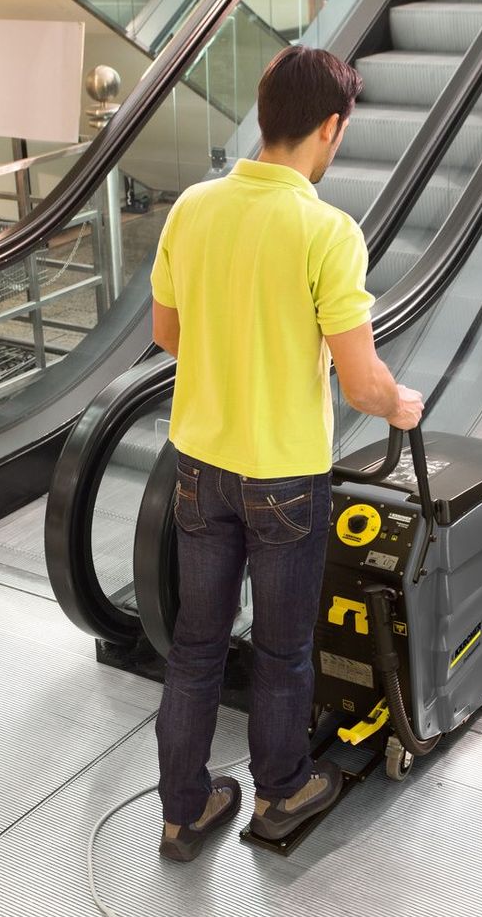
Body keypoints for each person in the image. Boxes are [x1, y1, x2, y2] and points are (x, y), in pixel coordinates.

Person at [149, 45, 424, 862]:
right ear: (330, 129)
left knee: (197, 645)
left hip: (198, 465)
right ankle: (280, 788)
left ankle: (184, 811)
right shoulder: (326, 230)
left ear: (266, 116)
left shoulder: (192, 208)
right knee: (281, 646)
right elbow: (364, 380)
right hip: (283, 480)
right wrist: (404, 404)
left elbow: (167, 334)